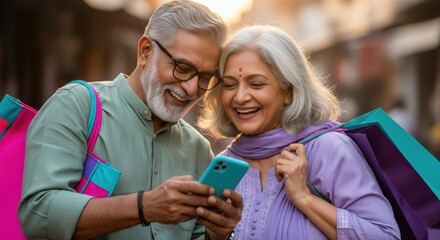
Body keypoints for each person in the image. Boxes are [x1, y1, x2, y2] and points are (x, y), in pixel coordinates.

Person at [18, 1, 242, 239]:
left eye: (205, 77)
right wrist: (143, 206)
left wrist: (218, 233)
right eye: (182, 67)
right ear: (145, 51)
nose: (191, 87)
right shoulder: (76, 105)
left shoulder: (198, 148)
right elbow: (37, 213)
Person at [199, 25, 400, 240]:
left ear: (288, 91)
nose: (239, 97)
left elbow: (385, 236)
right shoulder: (225, 164)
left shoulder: (328, 150)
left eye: (256, 84)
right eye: (230, 85)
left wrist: (304, 198)